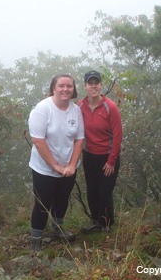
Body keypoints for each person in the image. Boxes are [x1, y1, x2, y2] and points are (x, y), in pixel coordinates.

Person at [28, 73, 84, 253]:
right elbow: (38, 140)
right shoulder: (43, 109)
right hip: (44, 169)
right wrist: (55, 167)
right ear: (54, 88)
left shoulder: (76, 110)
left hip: (68, 168)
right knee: (42, 204)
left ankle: (56, 229)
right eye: (61, 86)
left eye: (69, 86)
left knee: (62, 200)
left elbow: (79, 140)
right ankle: (36, 239)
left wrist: (71, 166)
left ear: (74, 89)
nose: (66, 89)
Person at [78, 70, 122, 233]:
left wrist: (111, 161)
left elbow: (117, 137)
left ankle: (107, 224)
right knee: (92, 191)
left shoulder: (110, 107)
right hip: (89, 155)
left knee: (104, 192)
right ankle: (96, 221)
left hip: (107, 156)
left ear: (101, 86)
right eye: (90, 83)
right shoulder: (80, 106)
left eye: (96, 83)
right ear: (85, 86)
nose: (93, 86)